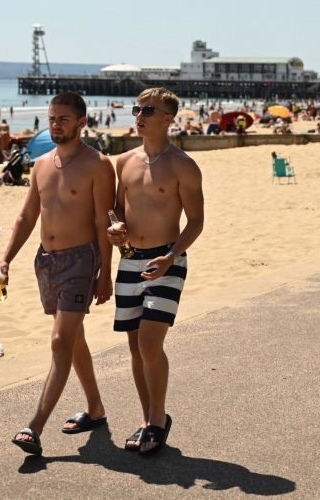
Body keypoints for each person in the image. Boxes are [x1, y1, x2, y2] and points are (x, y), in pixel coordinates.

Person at [0, 92, 116, 456]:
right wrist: (5, 260)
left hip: (81, 261)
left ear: (82, 123)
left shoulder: (98, 164)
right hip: (46, 261)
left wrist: (105, 273)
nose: (55, 124)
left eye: (63, 118)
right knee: (73, 339)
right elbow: (26, 216)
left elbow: (102, 222)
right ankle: (96, 409)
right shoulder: (41, 164)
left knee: (60, 340)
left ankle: (34, 426)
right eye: (52, 118)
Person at [108, 87, 204, 456]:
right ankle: (149, 417)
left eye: (149, 110)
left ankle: (155, 421)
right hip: (130, 259)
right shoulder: (125, 162)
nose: (140, 115)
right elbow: (115, 210)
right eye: (137, 109)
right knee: (135, 346)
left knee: (150, 343)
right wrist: (114, 228)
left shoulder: (183, 165)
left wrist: (171, 255)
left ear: (168, 119)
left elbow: (195, 222)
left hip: (167, 259)